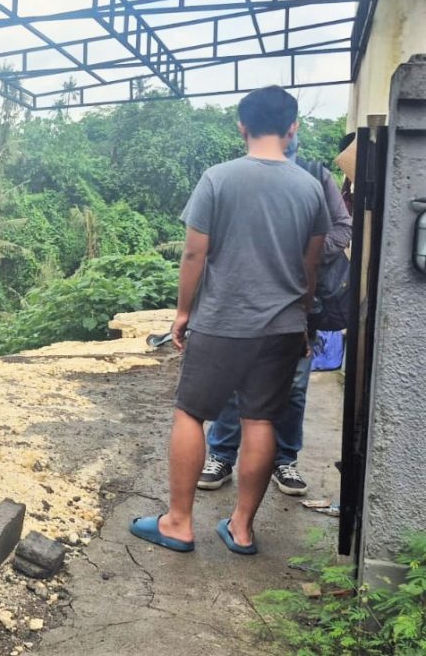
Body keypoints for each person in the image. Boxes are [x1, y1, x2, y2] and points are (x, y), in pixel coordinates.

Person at [129, 86, 330, 555]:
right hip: (282, 325)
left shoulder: (218, 179)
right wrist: (301, 318)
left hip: (222, 321)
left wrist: (183, 313)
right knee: (261, 420)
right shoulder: (309, 187)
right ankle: (241, 528)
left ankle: (178, 522)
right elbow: (312, 266)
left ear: (241, 126)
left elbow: (195, 251)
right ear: (292, 126)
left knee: (191, 412)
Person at [198, 133, 352, 496]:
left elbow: (342, 229)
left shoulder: (316, 176)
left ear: (292, 130)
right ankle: (221, 456)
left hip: (299, 304)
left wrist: (304, 255)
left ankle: (285, 461)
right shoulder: (237, 177)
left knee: (294, 388)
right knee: (233, 385)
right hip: (241, 300)